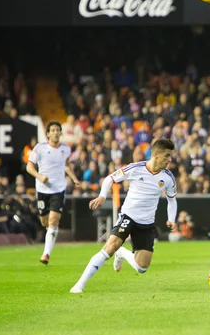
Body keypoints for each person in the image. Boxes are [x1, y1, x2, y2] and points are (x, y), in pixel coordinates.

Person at [70, 139, 178, 294]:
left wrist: (171, 219)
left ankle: (122, 253)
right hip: (129, 216)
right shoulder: (136, 168)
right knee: (109, 248)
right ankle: (79, 285)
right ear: (155, 154)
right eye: (167, 155)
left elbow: (172, 200)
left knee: (142, 268)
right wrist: (101, 196)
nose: (169, 160)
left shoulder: (168, 178)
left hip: (147, 223)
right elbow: (109, 179)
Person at [26, 121, 80, 265]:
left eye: (58, 130)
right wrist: (40, 177)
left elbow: (66, 164)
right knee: (45, 221)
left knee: (53, 221)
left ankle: (46, 254)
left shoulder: (66, 149)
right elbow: (29, 167)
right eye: (53, 130)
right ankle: (49, 235)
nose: (56, 132)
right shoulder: (40, 148)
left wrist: (73, 178)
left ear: (60, 133)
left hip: (58, 190)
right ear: (48, 133)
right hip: (43, 190)